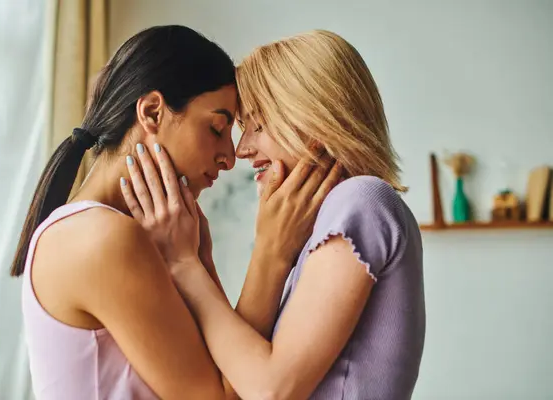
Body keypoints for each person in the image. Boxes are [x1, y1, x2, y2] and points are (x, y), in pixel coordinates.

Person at [10, 25, 340, 399]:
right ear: (152, 112)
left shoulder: (128, 234)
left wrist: (198, 261)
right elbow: (224, 395)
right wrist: (271, 254)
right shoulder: (101, 238)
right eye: (217, 128)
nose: (231, 158)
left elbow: (223, 368)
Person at [125, 29, 426, 399]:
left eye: (259, 125)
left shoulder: (360, 200)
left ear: (315, 118)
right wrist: (202, 263)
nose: (243, 149)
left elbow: (271, 390)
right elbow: (241, 376)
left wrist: (184, 264)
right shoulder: (332, 219)